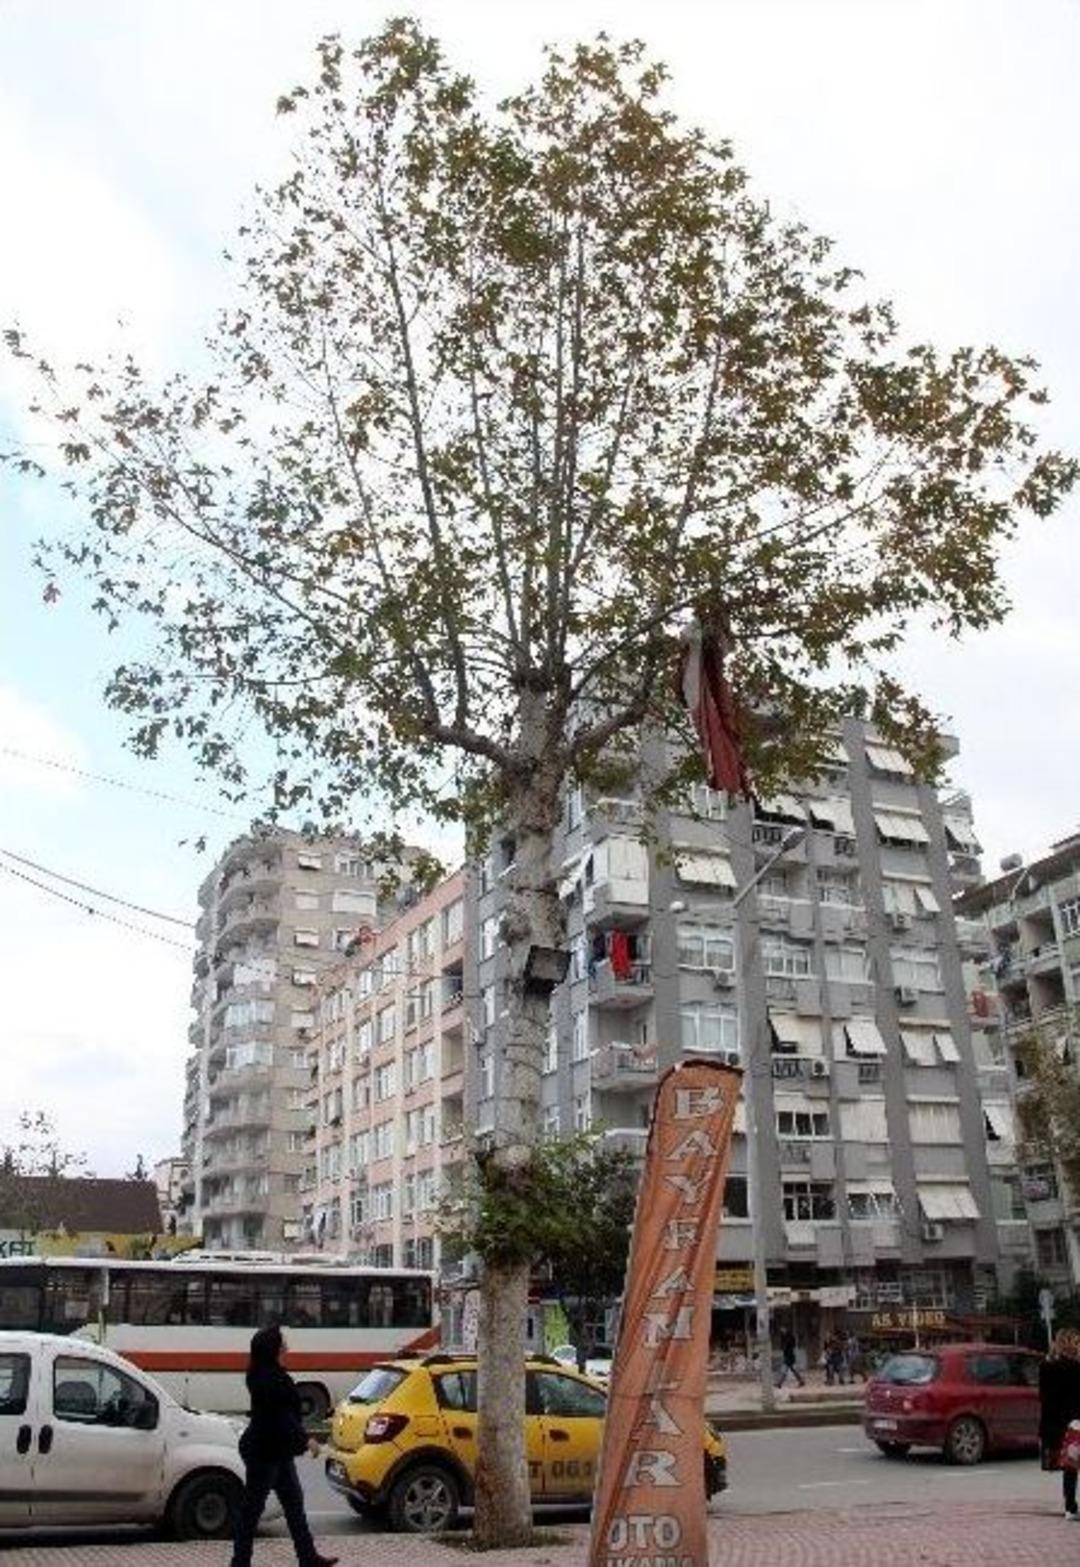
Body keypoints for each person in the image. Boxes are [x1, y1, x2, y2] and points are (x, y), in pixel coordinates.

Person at [230, 1324, 338, 1567]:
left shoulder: (262, 1373)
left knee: (294, 1504)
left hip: (276, 1450)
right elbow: (282, 1418)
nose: (287, 1343)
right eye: (282, 1340)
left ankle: (308, 1557)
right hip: (264, 1452)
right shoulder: (273, 1379)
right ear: (274, 1347)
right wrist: (307, 1440)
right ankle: (239, 1562)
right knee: (252, 1511)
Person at [1039, 1326, 1080, 1520]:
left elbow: (1044, 1398)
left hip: (1058, 1425)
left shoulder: (1046, 1366)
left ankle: (1070, 1507)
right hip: (1076, 1423)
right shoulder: (1075, 1367)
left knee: (1070, 1468)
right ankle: (1071, 1507)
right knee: (1071, 1467)